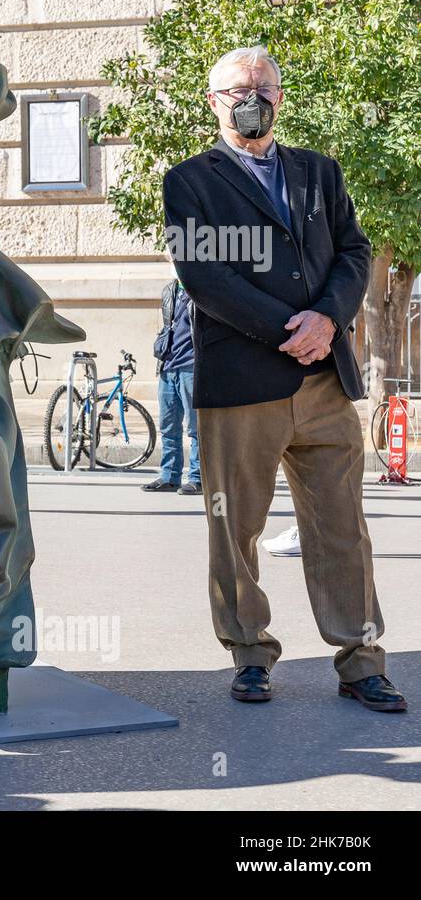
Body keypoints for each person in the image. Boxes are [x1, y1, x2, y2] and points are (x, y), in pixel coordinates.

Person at [163, 46, 404, 712]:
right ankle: (249, 653)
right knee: (234, 526)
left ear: (280, 96)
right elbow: (205, 276)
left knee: (341, 525)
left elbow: (353, 251)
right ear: (213, 100)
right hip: (243, 382)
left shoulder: (319, 173)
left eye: (267, 85)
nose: (256, 96)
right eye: (241, 87)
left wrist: (326, 320)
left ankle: (361, 661)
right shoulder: (190, 180)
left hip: (324, 379)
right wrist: (287, 329)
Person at [144, 278, 201, 495]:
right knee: (168, 426)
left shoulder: (201, 286)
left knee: (196, 427)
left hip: (192, 365)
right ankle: (169, 476)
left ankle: (198, 477)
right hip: (168, 365)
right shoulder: (170, 289)